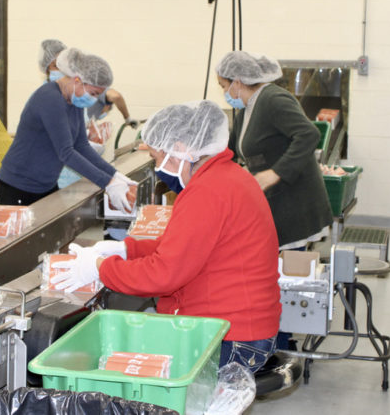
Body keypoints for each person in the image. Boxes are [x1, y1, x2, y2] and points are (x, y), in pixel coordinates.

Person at [52, 100, 281, 372]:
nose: (157, 166)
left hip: (231, 339)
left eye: (157, 157)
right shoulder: (227, 177)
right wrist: (125, 250)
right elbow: (184, 248)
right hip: (241, 328)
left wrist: (101, 268)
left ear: (181, 149)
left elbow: (164, 275)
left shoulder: (207, 192)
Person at [217, 51, 332, 250]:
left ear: (237, 83)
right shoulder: (246, 110)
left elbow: (308, 134)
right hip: (274, 200)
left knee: (288, 267)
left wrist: (275, 173)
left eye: (224, 86)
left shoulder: (273, 99)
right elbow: (230, 150)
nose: (224, 93)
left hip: (293, 201)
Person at [0, 47, 135, 208]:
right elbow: (66, 152)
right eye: (94, 93)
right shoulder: (50, 98)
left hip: (46, 185)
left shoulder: (74, 100)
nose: (94, 99)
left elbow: (81, 145)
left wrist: (114, 174)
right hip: (19, 187)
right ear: (77, 80)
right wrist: (108, 183)